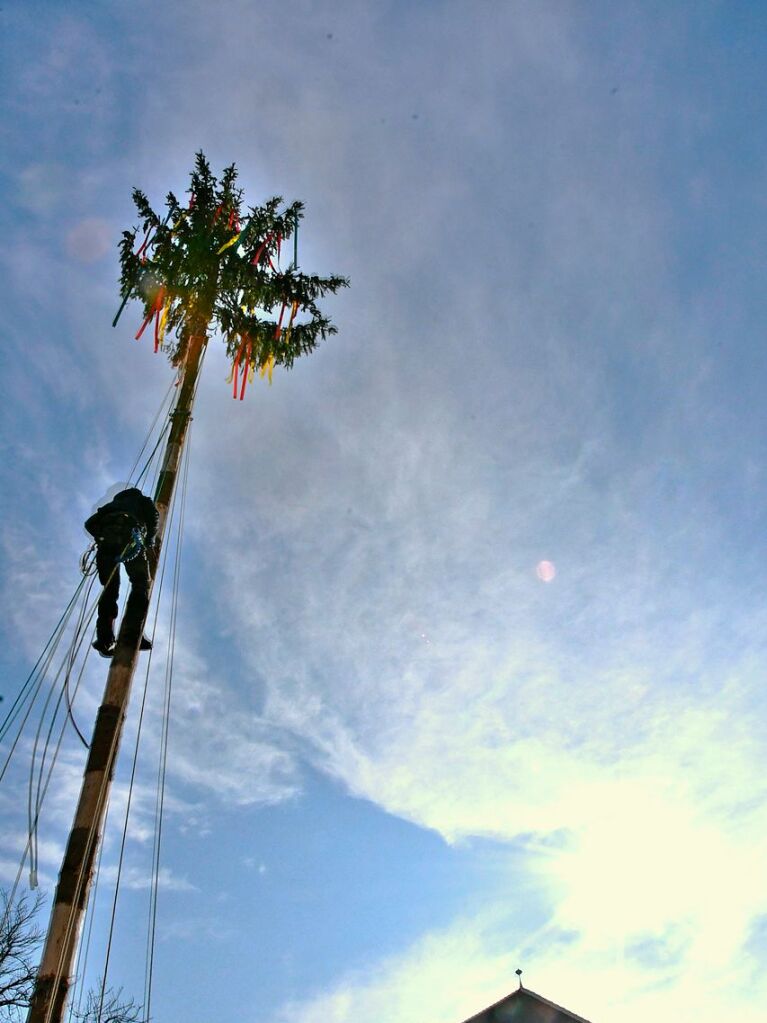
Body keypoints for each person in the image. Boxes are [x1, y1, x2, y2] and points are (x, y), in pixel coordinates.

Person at [84, 487, 159, 657]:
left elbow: (89, 524)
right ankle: (133, 633)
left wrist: (101, 537)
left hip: (106, 545)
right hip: (130, 537)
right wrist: (149, 541)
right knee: (141, 584)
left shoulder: (110, 507)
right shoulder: (141, 500)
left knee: (110, 589)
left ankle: (105, 638)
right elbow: (154, 516)